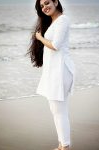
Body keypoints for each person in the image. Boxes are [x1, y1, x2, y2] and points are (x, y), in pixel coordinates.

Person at [27, 0, 76, 149]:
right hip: (54, 71)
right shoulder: (54, 22)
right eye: (41, 6)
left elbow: (55, 45)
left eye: (47, 2)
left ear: (56, 2)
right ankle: (62, 144)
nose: (44, 7)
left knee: (58, 111)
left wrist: (40, 38)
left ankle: (65, 146)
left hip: (60, 72)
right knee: (57, 110)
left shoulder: (62, 20)